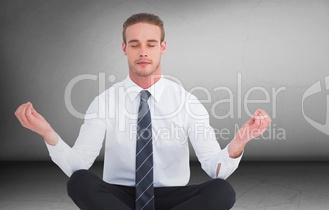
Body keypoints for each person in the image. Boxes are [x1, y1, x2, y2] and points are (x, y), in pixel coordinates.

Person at [14, 13, 271, 210]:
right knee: (79, 182)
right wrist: (47, 134)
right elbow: (79, 165)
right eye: (135, 44)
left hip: (171, 196)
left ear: (163, 47)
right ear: (124, 48)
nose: (143, 52)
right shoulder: (105, 101)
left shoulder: (188, 102)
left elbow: (217, 171)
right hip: (119, 195)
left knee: (222, 191)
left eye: (151, 43)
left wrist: (239, 142)